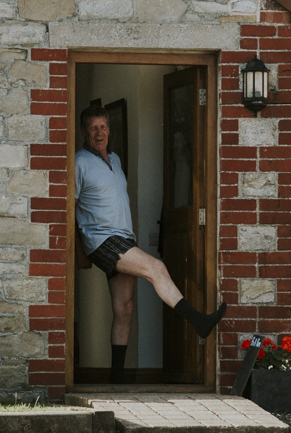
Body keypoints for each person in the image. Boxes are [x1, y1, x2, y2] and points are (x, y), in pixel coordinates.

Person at [74, 104, 226, 383]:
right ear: (84, 132)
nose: (99, 133)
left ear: (109, 130)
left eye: (103, 127)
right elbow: (68, 206)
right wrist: (79, 250)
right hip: (101, 239)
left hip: (123, 238)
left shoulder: (115, 160)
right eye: (93, 128)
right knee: (156, 267)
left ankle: (116, 380)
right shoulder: (79, 163)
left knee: (125, 309)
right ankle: (198, 321)